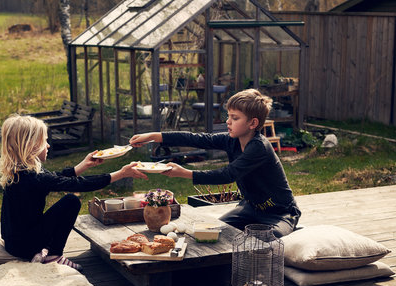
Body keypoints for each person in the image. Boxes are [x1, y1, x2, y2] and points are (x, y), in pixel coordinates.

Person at [129, 88, 300, 238]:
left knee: (270, 237)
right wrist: (154, 136)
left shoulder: (259, 147)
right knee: (215, 231)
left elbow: (227, 174)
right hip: (250, 208)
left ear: (252, 123)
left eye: (235, 118)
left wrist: (184, 173)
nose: (228, 121)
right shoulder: (231, 140)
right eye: (228, 116)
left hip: (279, 212)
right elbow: (197, 138)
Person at [0, 114, 147, 271]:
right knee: (71, 201)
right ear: (31, 145)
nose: (48, 146)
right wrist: (120, 174)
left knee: (65, 202)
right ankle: (54, 255)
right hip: (25, 247)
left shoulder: (20, 171)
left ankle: (43, 252)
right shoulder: (34, 177)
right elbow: (78, 184)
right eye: (44, 141)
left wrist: (83, 165)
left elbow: (55, 177)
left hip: (13, 243)